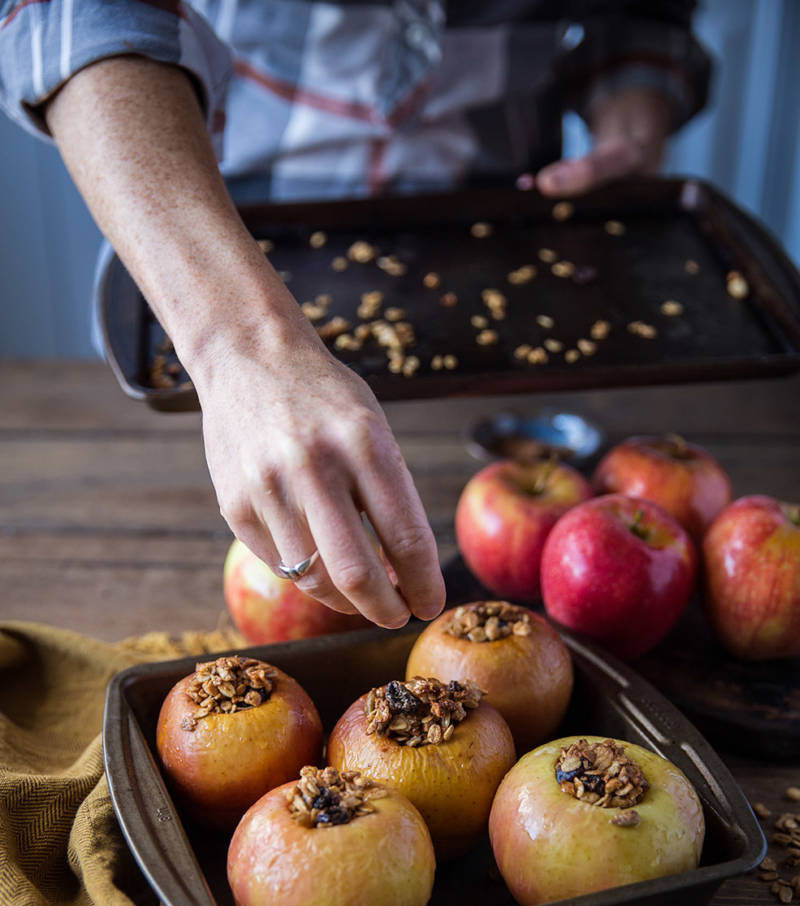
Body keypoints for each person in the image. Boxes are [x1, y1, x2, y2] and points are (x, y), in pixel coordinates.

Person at [0, 1, 710, 629]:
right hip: (212, 261)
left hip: (515, 276)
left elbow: (642, 15)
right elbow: (70, 15)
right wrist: (240, 344)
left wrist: (631, 118)